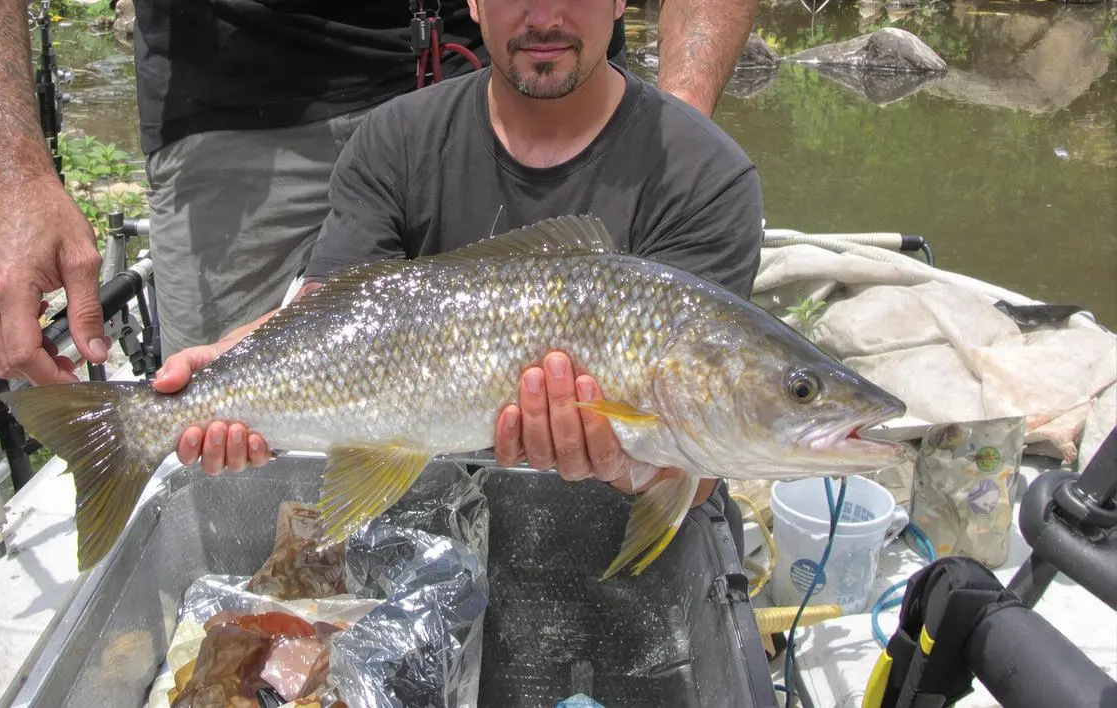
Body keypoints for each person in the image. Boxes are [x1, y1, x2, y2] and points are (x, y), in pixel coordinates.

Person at [152, 0, 765, 548]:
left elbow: (702, 467)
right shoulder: (395, 136)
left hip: (598, 537)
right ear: (471, 2)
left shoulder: (707, 173)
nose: (545, 16)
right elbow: (334, 310)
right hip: (423, 516)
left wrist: (645, 468)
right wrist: (236, 362)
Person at [0, 0, 757, 386]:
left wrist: (669, 137)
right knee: (234, 443)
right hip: (249, 107)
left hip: (496, 78)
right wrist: (14, 169)